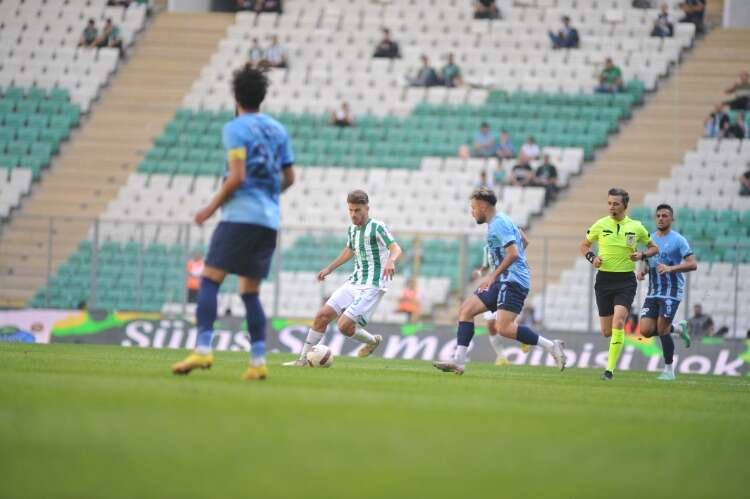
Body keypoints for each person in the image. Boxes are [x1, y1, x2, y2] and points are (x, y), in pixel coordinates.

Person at [171, 66, 295, 381]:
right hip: (268, 221)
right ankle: (257, 362)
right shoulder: (278, 130)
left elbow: (237, 177)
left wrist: (209, 209)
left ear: (236, 97)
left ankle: (202, 348)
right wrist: (267, 195)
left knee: (210, 280)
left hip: (240, 216)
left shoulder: (235, 128)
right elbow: (289, 177)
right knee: (250, 293)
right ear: (262, 97)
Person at [433, 188, 566, 375]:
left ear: (483, 206)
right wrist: (516, 264)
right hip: (504, 279)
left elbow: (513, 253)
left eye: (473, 208)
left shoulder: (498, 224)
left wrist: (493, 275)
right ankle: (459, 361)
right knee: (466, 310)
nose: (472, 212)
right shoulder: (502, 220)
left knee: (503, 328)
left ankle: (552, 346)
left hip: (511, 281)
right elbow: (524, 241)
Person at [283, 190, 402, 366]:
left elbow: (396, 248)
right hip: (355, 281)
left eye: (358, 210)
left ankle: (372, 341)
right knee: (322, 315)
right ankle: (302, 360)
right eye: (351, 210)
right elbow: (350, 250)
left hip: (373, 285)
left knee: (344, 326)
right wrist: (330, 268)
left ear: (367, 208)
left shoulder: (377, 227)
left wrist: (391, 261)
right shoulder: (352, 229)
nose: (354, 215)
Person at [580, 187, 659, 381]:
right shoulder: (600, 224)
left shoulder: (636, 227)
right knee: (607, 331)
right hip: (604, 280)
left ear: (624, 205)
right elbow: (584, 245)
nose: (611, 207)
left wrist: (641, 255)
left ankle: (609, 371)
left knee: (619, 321)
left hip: (625, 281)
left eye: (615, 204)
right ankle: (610, 363)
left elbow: (654, 248)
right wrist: (592, 258)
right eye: (609, 203)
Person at [636, 204, 697, 380]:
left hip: (671, 291)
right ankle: (678, 328)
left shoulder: (678, 240)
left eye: (665, 215)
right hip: (653, 291)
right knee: (646, 330)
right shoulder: (651, 239)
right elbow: (647, 262)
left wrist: (671, 268)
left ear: (671, 219)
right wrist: (642, 271)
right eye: (658, 215)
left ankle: (669, 370)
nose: (661, 218)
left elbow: (692, 264)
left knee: (662, 329)